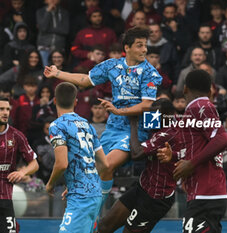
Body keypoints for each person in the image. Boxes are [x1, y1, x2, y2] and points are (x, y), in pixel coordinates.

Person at [44, 26, 162, 212]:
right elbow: (84, 80)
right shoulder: (112, 65)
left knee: (107, 164)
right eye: (140, 45)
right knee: (95, 167)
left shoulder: (150, 73)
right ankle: (89, 206)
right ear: (127, 47)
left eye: (145, 45)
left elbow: (148, 105)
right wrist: (58, 73)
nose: (145, 50)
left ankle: (93, 208)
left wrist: (120, 111)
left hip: (135, 130)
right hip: (113, 128)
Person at [158, 70, 227, 233]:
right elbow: (202, 147)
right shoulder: (196, 109)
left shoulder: (201, 106)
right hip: (205, 192)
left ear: (184, 89)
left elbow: (222, 140)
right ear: (211, 90)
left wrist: (191, 163)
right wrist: (175, 156)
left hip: (206, 192)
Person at [98, 98, 179, 233]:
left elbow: (136, 154)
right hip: (143, 187)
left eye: (157, 115)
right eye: (152, 114)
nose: (153, 118)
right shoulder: (159, 122)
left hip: (157, 197)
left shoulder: (168, 133)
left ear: (168, 115)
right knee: (104, 227)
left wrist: (134, 122)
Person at [46, 82, 109, 233]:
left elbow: (61, 164)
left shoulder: (57, 126)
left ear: (54, 100)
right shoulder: (87, 125)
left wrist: (50, 184)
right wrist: (79, 181)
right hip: (95, 193)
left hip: (81, 198)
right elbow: (104, 163)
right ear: (75, 102)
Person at [0, 97, 39, 233]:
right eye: (1, 109)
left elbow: (34, 164)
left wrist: (22, 172)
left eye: (7, 109)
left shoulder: (17, 136)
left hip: (5, 198)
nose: (5, 112)